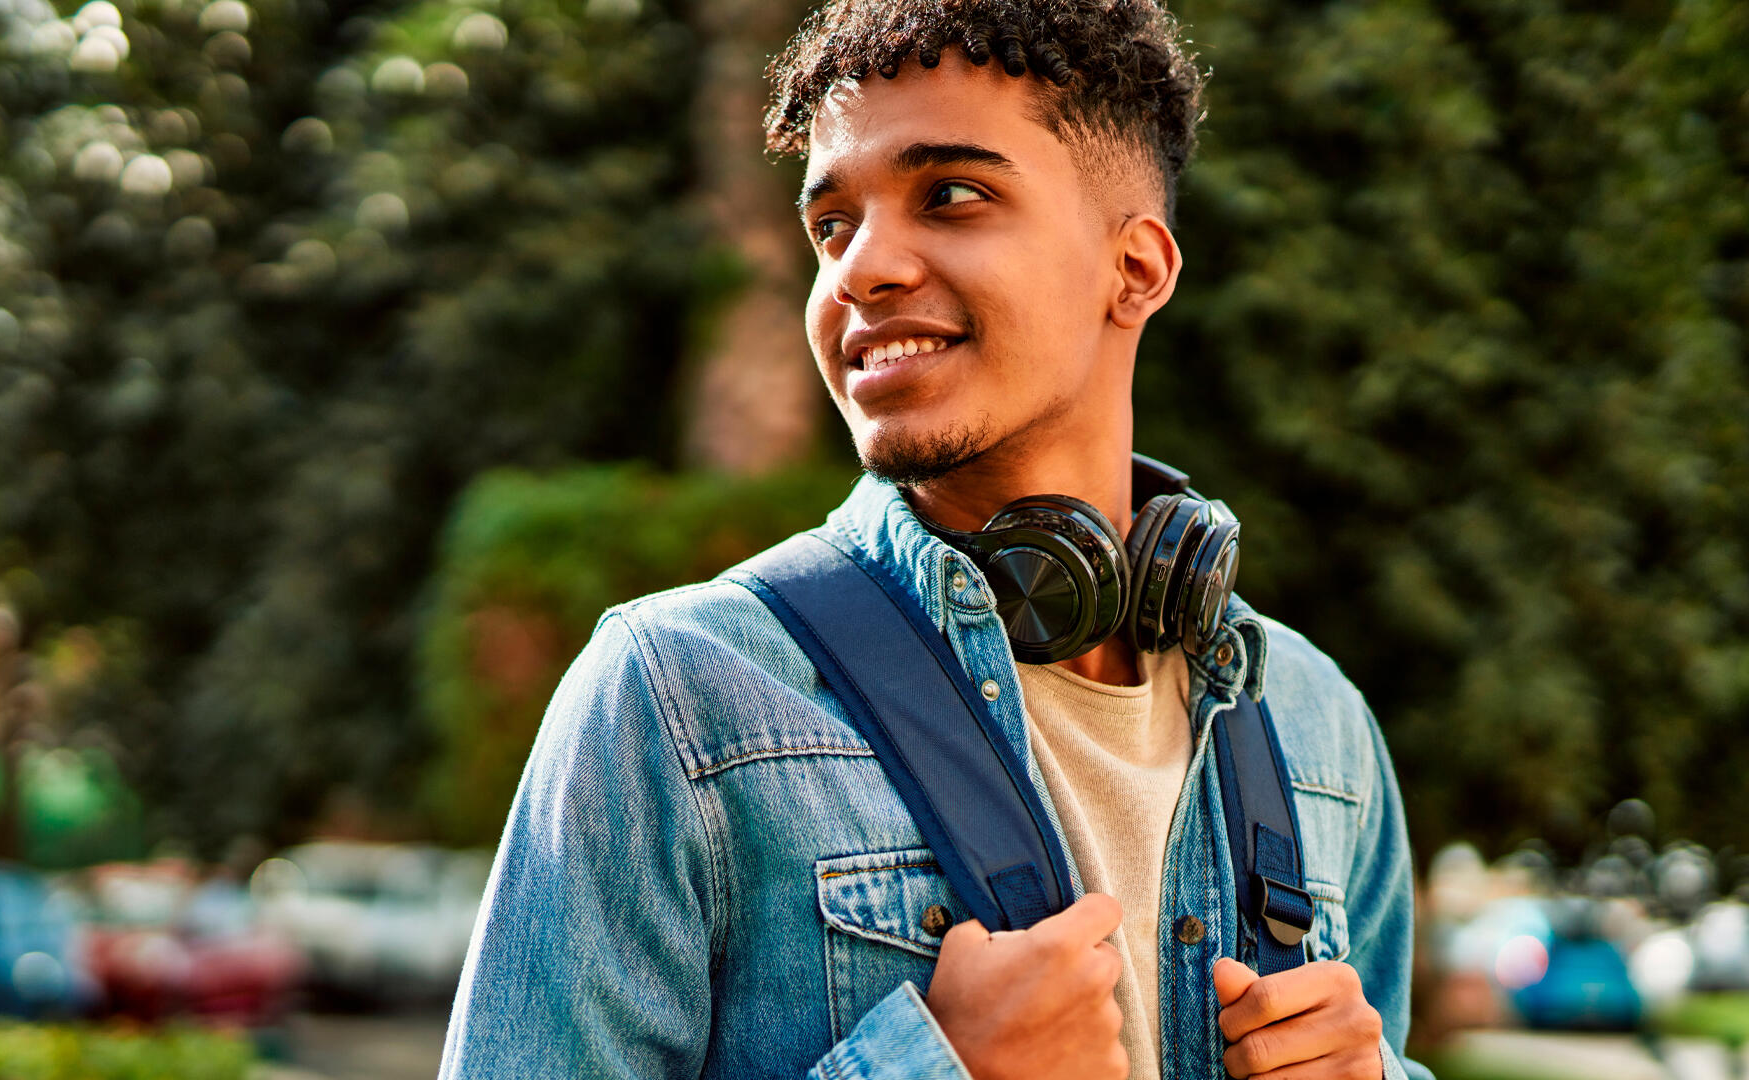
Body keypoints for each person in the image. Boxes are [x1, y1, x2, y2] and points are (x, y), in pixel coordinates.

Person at [441, 1, 1430, 1077]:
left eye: (950, 196)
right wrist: (936, 1066)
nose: (860, 270)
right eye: (831, 227)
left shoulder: (1319, 725)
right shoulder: (679, 701)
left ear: (1136, 270)